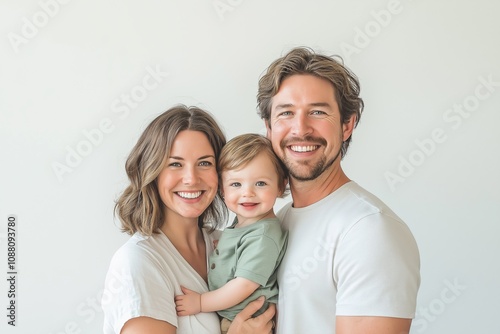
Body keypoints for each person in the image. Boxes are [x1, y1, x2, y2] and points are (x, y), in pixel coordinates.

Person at [252, 47, 421, 334]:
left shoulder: (369, 229)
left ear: (347, 125)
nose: (300, 128)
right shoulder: (277, 221)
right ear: (269, 128)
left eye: (317, 112)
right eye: (286, 113)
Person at [102, 105, 275, 334]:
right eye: (175, 164)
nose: (191, 179)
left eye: (204, 163)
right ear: (152, 172)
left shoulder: (225, 243)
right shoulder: (139, 263)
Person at [174, 134, 288, 334]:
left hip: (249, 321)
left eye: (260, 183)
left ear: (280, 185)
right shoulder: (243, 224)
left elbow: (243, 286)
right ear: (222, 190)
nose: (248, 193)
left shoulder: (263, 236)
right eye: (236, 184)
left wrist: (201, 302)